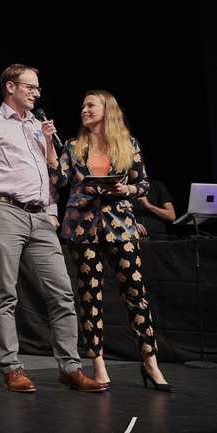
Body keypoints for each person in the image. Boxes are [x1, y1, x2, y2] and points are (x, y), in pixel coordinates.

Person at [0, 64, 106, 393]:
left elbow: (49, 175)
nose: (36, 92)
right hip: (3, 209)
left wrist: (52, 211)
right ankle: (11, 368)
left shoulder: (38, 127)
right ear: (10, 87)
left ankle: (70, 367)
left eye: (38, 88)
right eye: (30, 86)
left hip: (41, 217)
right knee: (4, 294)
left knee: (62, 293)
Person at [47, 89, 173, 391]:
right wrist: (50, 148)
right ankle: (98, 366)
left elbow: (142, 183)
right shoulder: (73, 146)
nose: (84, 110)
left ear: (107, 110)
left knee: (136, 293)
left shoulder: (127, 145)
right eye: (82, 105)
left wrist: (125, 190)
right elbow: (60, 181)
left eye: (91, 105)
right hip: (83, 227)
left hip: (121, 226)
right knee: (90, 297)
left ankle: (150, 363)